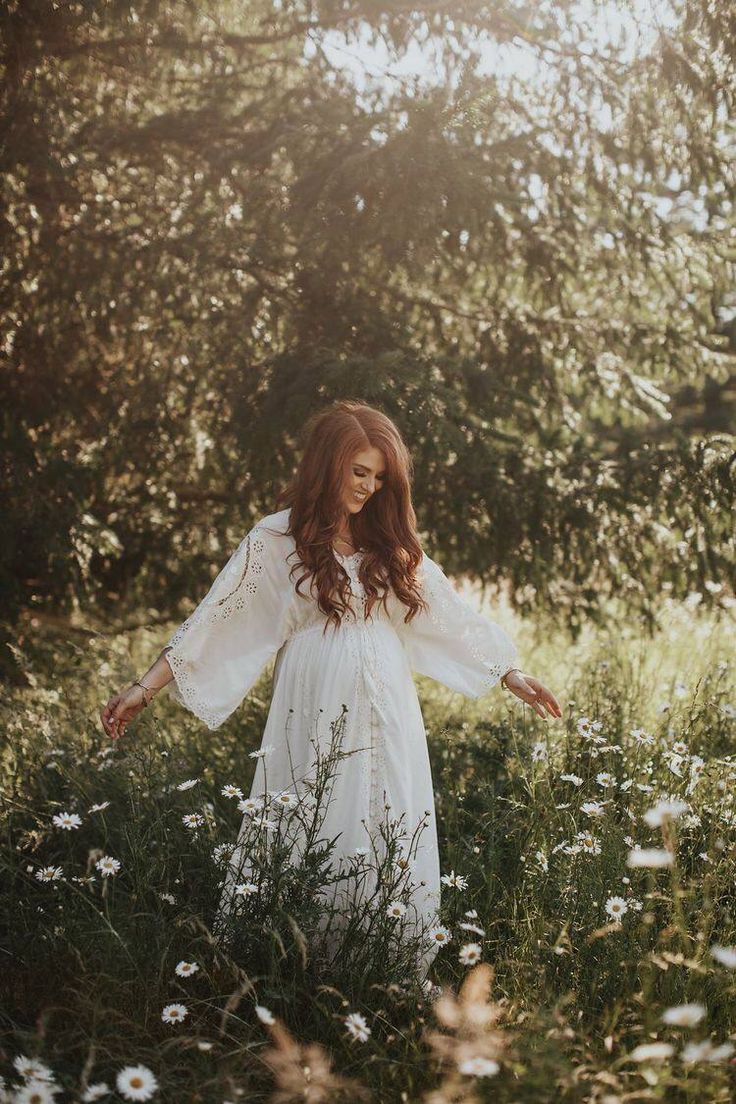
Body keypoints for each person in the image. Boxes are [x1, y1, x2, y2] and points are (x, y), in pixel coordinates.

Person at [100, 400, 561, 977]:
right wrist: (144, 688)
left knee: (390, 802)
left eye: (378, 477)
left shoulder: (386, 539)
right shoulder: (276, 539)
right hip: (314, 694)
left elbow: (445, 611)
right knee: (317, 806)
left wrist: (507, 673)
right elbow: (215, 619)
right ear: (328, 466)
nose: (368, 488)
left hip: (389, 695)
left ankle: (389, 959)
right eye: (358, 472)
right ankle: (300, 960)